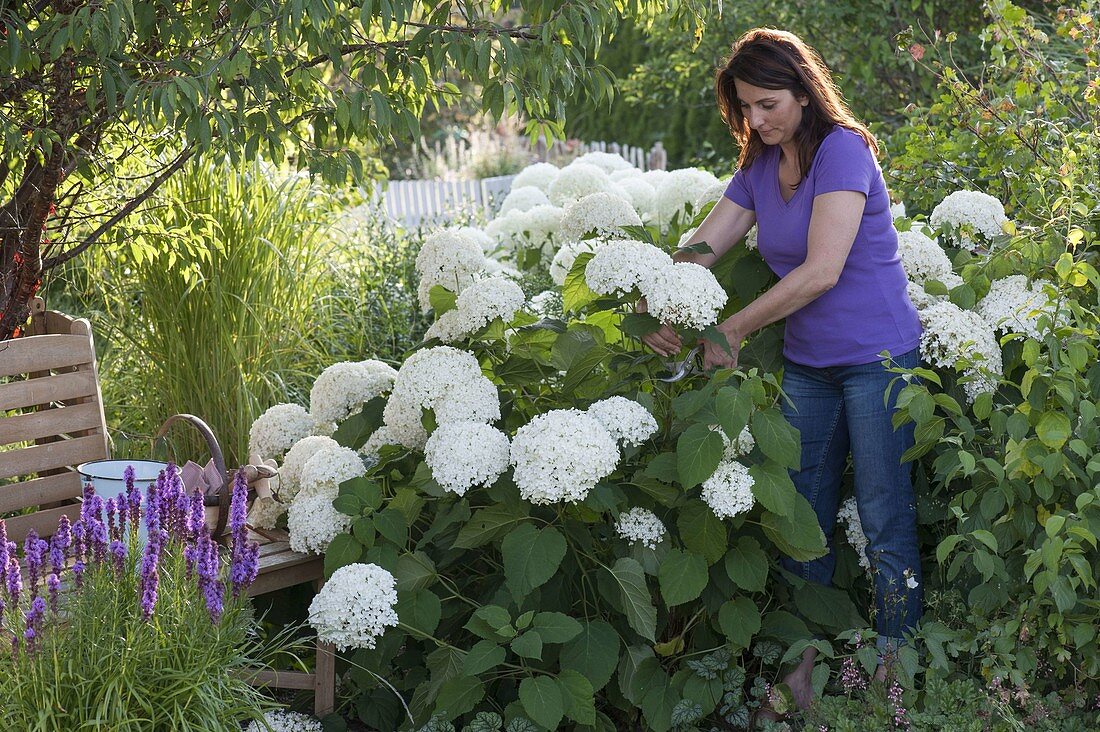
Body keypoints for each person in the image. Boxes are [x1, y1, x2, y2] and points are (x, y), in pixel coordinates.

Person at [641, 27, 924, 717]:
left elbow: (822, 271)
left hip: (879, 359)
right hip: (810, 366)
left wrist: (732, 328)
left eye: (768, 104)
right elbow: (703, 246)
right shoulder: (757, 170)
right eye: (744, 108)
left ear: (803, 90)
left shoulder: (843, 152)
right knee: (799, 517)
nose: (756, 120)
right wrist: (657, 299)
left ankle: (899, 672)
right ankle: (806, 666)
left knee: (886, 513)